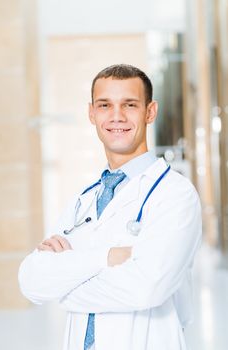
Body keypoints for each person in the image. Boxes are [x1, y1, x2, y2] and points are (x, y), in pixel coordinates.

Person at [18, 64, 202, 350]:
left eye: (129, 104)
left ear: (150, 112)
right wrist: (107, 257)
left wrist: (64, 283)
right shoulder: (85, 199)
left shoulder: (175, 194)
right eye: (105, 105)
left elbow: (147, 289)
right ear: (92, 113)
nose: (117, 116)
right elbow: (31, 282)